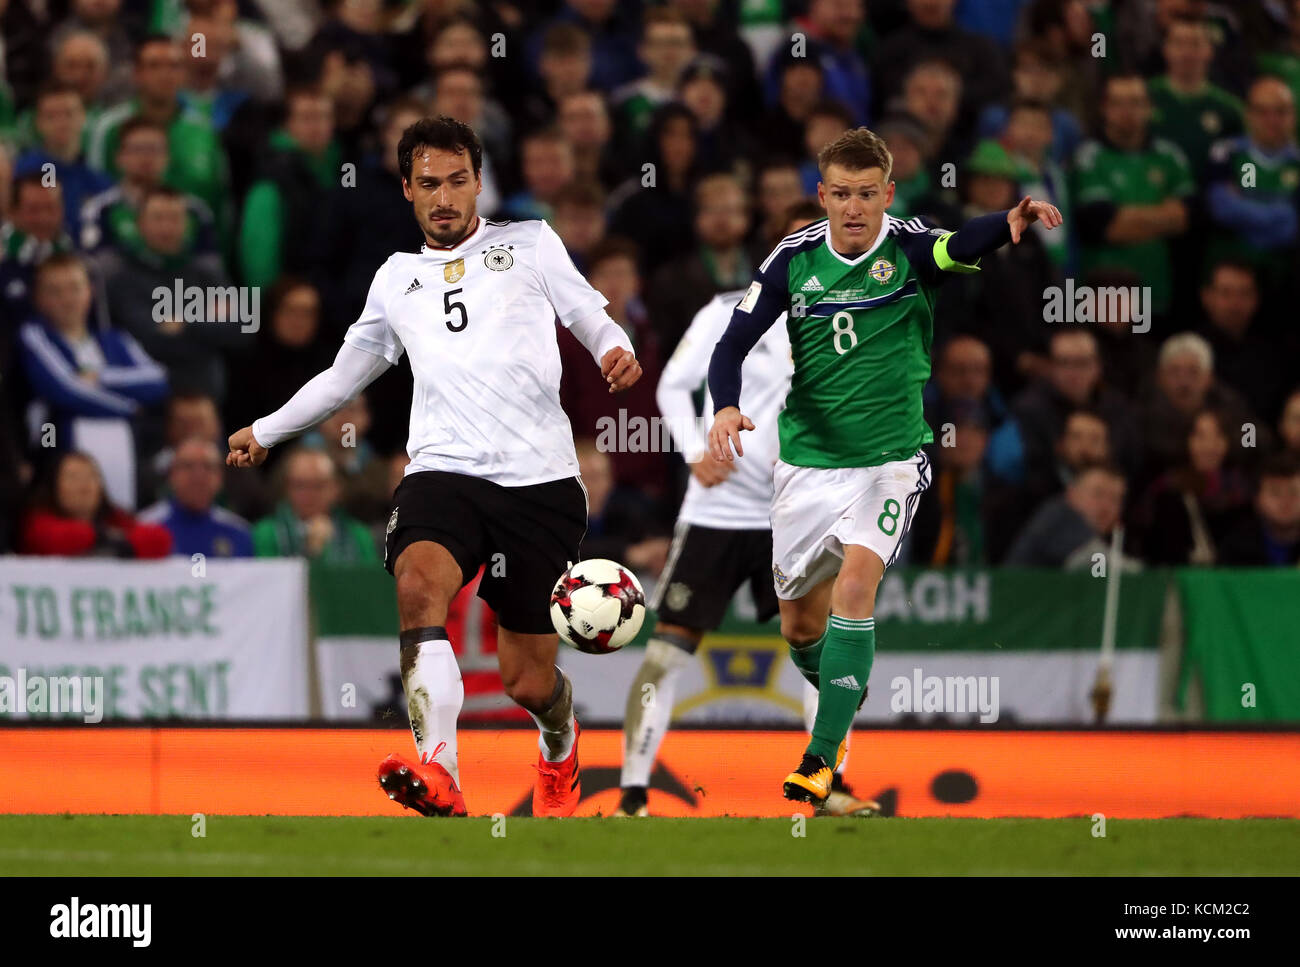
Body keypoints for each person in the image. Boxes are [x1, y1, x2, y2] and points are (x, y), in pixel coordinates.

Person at [225, 116, 642, 818]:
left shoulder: (531, 243)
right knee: (419, 585)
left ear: (478, 182)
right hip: (442, 471)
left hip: (539, 481)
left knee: (527, 680)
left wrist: (613, 348)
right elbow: (341, 376)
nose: (444, 197)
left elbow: (589, 314)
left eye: (456, 181)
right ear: (408, 191)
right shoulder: (395, 278)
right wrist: (267, 429)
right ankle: (440, 771)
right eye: (428, 184)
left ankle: (560, 741)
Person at [706, 126, 1061, 804]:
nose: (854, 207)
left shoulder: (910, 246)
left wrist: (1008, 223)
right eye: (840, 194)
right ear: (821, 195)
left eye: (867, 193)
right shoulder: (791, 259)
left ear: (887, 193)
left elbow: (959, 244)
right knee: (800, 629)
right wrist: (725, 407)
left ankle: (819, 757)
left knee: (855, 590)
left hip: (890, 462)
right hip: (806, 466)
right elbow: (733, 344)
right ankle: (845, 682)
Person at [618, 205, 879, 819]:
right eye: (802, 239)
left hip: (802, 513)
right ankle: (632, 793)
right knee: (668, 649)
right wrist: (692, 451)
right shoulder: (726, 310)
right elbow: (670, 384)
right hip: (719, 511)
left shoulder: (859, 318)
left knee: (817, 645)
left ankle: (830, 785)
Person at [20, 450, 171, 557]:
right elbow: (53, 539)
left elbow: (160, 539)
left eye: (92, 477)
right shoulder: (36, 521)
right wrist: (104, 537)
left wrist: (122, 546)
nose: (84, 485)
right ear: (53, 486)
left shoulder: (114, 519)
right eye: (73, 478)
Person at [138, 436, 253, 558]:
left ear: (220, 477)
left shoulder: (240, 533)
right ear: (171, 475)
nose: (198, 476)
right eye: (188, 466)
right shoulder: (145, 529)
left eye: (208, 466)